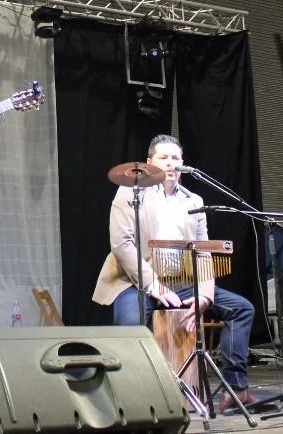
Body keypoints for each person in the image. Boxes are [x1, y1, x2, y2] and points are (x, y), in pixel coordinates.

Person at [92, 135, 260, 412]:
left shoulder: (194, 200)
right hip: (136, 281)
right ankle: (134, 398)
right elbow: (122, 244)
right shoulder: (130, 192)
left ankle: (236, 388)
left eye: (175, 158)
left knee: (241, 309)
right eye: (164, 158)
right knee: (130, 322)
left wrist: (204, 296)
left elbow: (203, 251)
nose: (170, 163)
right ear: (149, 162)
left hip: (181, 282)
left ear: (183, 163)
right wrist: (153, 286)